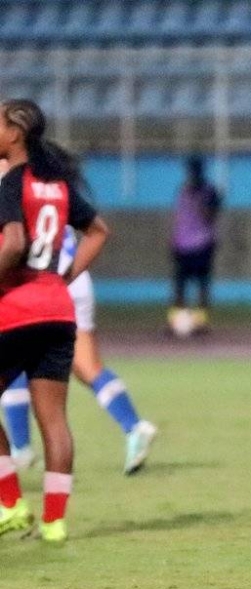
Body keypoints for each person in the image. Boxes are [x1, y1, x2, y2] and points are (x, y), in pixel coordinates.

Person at [0, 98, 109, 542]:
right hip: (57, 310)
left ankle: (10, 505)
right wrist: (64, 274)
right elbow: (100, 230)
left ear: (16, 132)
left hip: (15, 309)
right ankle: (55, 523)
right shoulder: (58, 184)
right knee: (55, 420)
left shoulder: (11, 182)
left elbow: (13, 240)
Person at [1, 223, 157, 476]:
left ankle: (21, 449)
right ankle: (134, 426)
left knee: (12, 356)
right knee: (87, 366)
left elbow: (15, 243)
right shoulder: (55, 186)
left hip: (40, 281)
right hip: (74, 276)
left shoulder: (14, 190)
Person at [169, 154, 222, 337]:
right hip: (182, 244)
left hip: (202, 244)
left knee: (202, 286)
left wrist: (202, 204)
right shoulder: (182, 190)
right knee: (179, 287)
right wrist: (173, 240)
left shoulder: (210, 192)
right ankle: (176, 323)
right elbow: (179, 218)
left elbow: (211, 216)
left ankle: (200, 324)